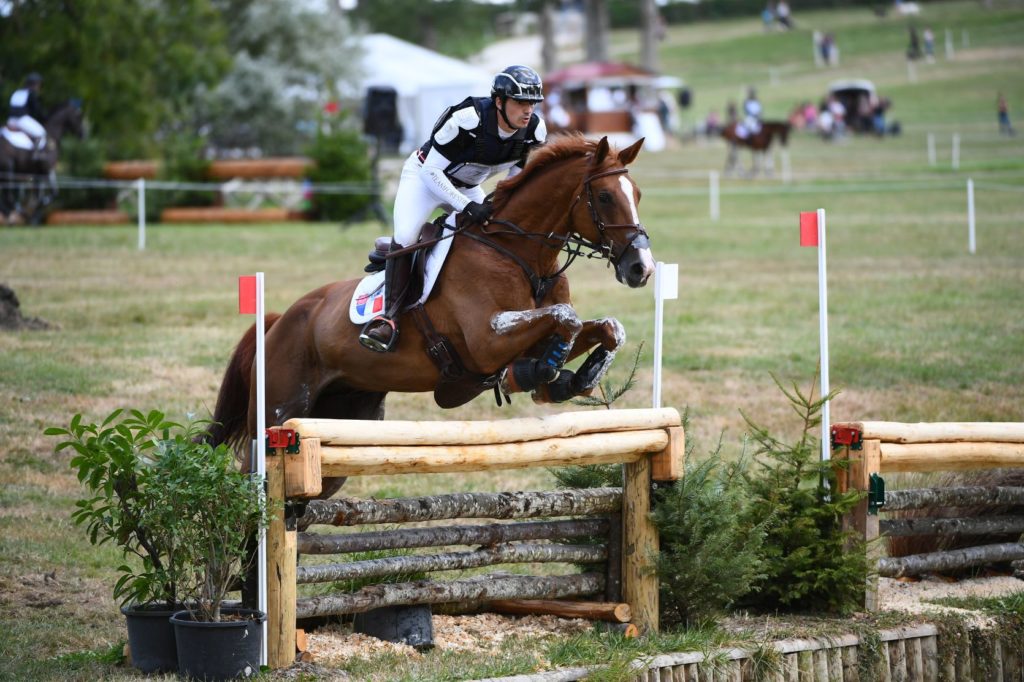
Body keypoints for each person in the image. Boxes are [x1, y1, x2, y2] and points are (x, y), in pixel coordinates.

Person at [358, 65, 547, 353]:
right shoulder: (467, 120)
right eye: (520, 102)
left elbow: (514, 181)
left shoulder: (534, 130)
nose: (528, 110)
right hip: (425, 178)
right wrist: (467, 206)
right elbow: (432, 172)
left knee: (498, 234)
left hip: (469, 186)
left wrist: (496, 207)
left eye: (532, 103)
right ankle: (389, 318)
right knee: (408, 236)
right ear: (499, 101)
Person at [6, 73, 46, 151]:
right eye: (38, 85)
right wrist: (45, 118)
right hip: (21, 120)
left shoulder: (17, 92)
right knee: (41, 133)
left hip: (10, 120)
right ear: (35, 84)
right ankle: (36, 154)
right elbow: (36, 111)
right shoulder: (31, 94)